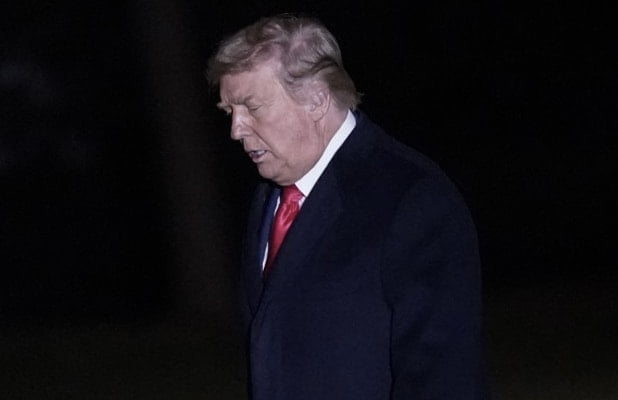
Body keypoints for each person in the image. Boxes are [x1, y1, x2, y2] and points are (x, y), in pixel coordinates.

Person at [207, 14, 485, 400]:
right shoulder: (267, 200)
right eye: (230, 112)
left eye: (252, 107)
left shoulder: (412, 199)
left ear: (316, 100)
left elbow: (444, 378)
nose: (236, 129)